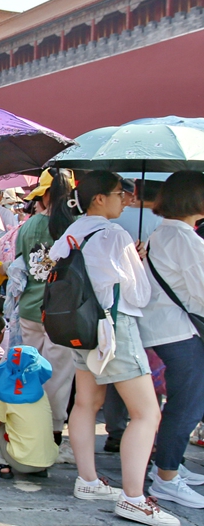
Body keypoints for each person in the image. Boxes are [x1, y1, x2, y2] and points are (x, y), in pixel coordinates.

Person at [49, 171, 175, 526]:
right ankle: (134, 498)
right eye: (121, 193)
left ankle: (87, 479)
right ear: (99, 198)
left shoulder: (71, 233)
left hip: (81, 328)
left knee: (86, 402)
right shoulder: (115, 234)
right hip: (115, 328)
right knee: (146, 413)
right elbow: (139, 295)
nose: (127, 199)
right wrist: (138, 260)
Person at [142, 171, 204, 508]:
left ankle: (169, 463)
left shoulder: (165, 233)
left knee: (182, 402)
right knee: (188, 404)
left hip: (168, 329)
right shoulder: (184, 239)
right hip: (179, 331)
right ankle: (166, 476)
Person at [14, 169, 78, 455]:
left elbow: (17, 265)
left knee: (29, 371)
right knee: (59, 376)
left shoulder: (27, 227)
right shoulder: (76, 225)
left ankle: (26, 426)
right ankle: (51, 431)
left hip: (30, 307)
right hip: (63, 313)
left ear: (45, 195)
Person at [0, 345, 58, 479]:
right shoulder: (41, 393)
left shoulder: (4, 396)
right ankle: (37, 467)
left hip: (21, 463)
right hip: (47, 461)